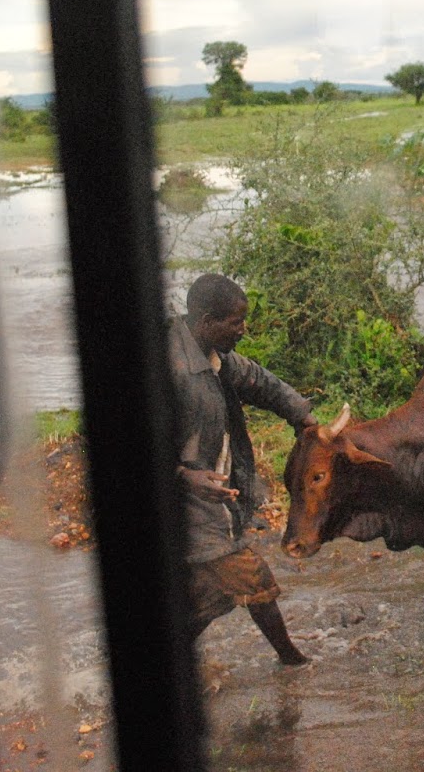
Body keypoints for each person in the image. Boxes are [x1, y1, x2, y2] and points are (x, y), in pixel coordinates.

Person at [170, 273, 313, 665]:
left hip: (213, 503)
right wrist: (186, 476)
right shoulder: (173, 371)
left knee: (208, 598)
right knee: (255, 578)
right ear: (206, 321)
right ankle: (293, 663)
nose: (243, 329)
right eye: (235, 322)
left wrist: (303, 418)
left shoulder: (215, 358)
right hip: (189, 509)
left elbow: (261, 383)